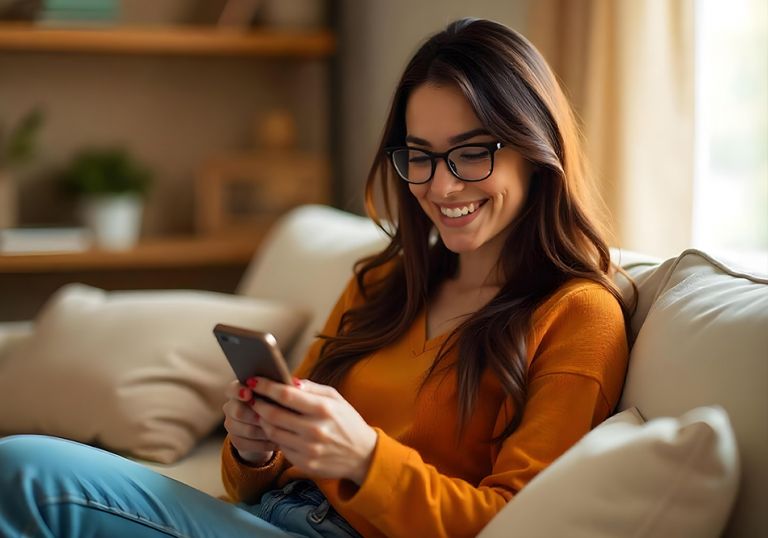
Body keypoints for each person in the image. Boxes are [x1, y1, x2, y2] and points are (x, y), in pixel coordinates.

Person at [0, 18, 634, 538]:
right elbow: (248, 480)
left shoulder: (577, 316)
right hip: (266, 516)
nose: (441, 185)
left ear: (534, 146)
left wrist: (363, 458)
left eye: (472, 152)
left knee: (26, 470)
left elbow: (515, 524)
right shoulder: (382, 285)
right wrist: (256, 447)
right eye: (419, 156)